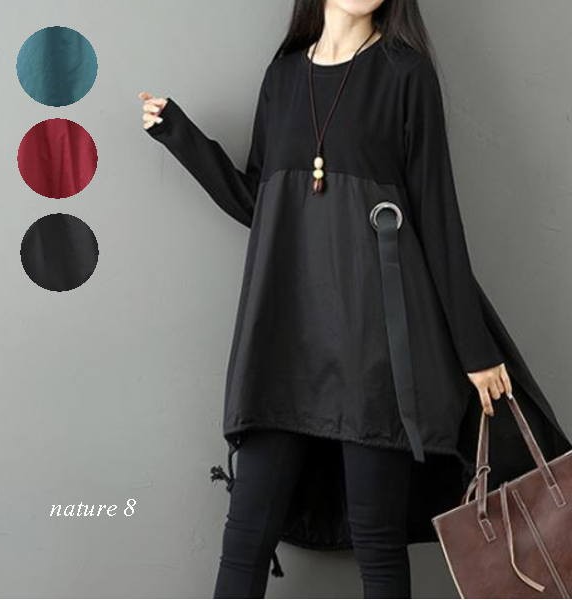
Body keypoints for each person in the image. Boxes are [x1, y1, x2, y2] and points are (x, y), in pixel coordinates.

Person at [138, 0, 572, 597]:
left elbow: (437, 215)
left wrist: (475, 349)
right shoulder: (283, 76)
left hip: (377, 349)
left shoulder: (405, 73)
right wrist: (180, 136)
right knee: (245, 538)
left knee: (377, 543)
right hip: (285, 339)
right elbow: (259, 202)